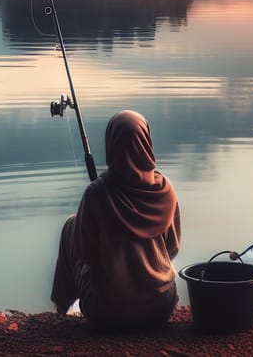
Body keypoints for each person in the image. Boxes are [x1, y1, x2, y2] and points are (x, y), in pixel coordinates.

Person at [51, 110, 181, 332]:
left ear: (111, 144)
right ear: (147, 143)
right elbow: (172, 249)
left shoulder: (96, 194)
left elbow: (85, 255)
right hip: (160, 309)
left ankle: (62, 308)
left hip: (107, 314)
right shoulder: (165, 190)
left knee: (71, 226)